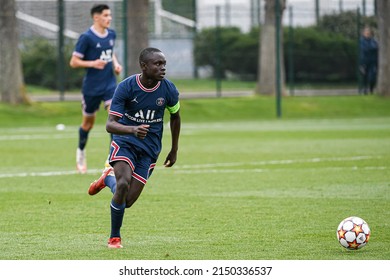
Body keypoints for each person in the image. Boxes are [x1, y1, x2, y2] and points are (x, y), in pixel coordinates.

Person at [87, 47, 181, 249]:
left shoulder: (169, 89)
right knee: (123, 184)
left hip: (150, 150)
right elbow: (110, 124)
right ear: (144, 66)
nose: (162, 68)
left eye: (164, 64)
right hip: (125, 143)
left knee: (126, 201)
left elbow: (175, 117)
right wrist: (132, 130)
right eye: (157, 64)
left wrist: (174, 149)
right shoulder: (126, 87)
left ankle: (106, 178)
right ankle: (114, 238)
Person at [69, 4, 122, 174]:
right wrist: (92, 63)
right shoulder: (86, 38)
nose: (109, 18)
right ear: (96, 17)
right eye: (106, 15)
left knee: (115, 119)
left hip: (109, 85)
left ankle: (110, 161)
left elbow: (110, 52)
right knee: (87, 124)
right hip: (91, 88)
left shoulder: (112, 34)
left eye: (110, 15)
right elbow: (74, 62)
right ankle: (81, 152)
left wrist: (115, 63)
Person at [359, 27, 378, 95]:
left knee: (372, 76)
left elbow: (376, 47)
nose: (367, 34)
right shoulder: (361, 41)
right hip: (364, 61)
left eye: (368, 32)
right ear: (363, 33)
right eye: (366, 32)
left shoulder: (373, 40)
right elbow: (365, 49)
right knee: (364, 76)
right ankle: (365, 89)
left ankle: (371, 89)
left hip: (373, 62)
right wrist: (372, 48)